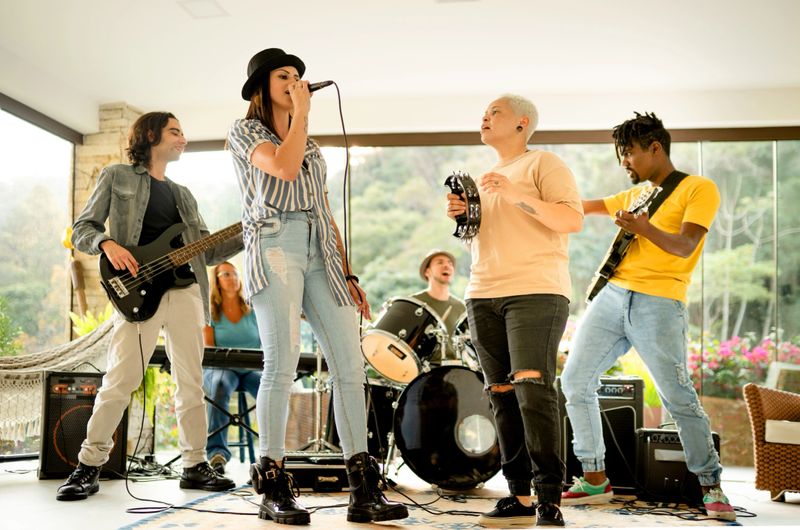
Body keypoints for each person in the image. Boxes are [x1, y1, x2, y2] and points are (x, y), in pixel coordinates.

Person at [227, 48, 408, 525]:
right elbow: (282, 170)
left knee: (350, 365)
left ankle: (362, 488)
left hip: (319, 247)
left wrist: (346, 271)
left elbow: (325, 211)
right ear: (261, 87)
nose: (295, 82)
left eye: (299, 76)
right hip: (273, 241)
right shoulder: (246, 132)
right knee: (282, 363)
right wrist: (301, 114)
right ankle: (272, 484)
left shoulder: (311, 144)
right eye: (284, 75)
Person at [559, 112, 736, 521]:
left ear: (655, 148)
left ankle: (711, 485)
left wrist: (644, 229)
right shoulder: (637, 195)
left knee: (678, 396)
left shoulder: (698, 188)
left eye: (629, 153)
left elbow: (685, 245)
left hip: (660, 302)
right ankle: (594, 477)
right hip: (611, 297)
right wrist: (528, 201)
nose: (625, 162)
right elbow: (579, 209)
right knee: (574, 381)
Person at [57, 112, 242, 501]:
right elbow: (83, 229)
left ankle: (194, 465)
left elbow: (207, 252)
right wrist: (107, 244)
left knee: (192, 381)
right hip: (137, 292)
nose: (183, 138)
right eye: (175, 131)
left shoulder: (184, 195)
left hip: (186, 291)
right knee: (120, 380)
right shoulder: (117, 177)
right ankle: (88, 465)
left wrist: (249, 230)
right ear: (151, 135)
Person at [446, 94, 583, 527]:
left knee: (533, 390)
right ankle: (519, 495)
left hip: (537, 292)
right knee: (501, 396)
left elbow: (570, 220)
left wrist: (514, 193)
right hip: (482, 291)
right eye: (484, 113)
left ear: (522, 123)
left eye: (495, 112)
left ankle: (548, 496)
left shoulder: (543, 164)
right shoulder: (484, 178)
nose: (484, 117)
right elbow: (485, 239)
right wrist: (465, 216)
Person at [203, 261, 261, 475]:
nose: (233, 278)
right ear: (216, 281)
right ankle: (217, 453)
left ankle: (271, 452)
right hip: (222, 368)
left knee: (270, 390)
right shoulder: (210, 312)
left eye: (235, 274)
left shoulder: (253, 310)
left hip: (252, 369)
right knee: (219, 386)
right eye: (226, 274)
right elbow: (208, 349)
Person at [410, 249, 466, 365]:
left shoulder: (461, 307)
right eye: (440, 262)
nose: (447, 265)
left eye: (450, 263)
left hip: (455, 370)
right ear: (427, 272)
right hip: (420, 369)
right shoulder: (414, 302)